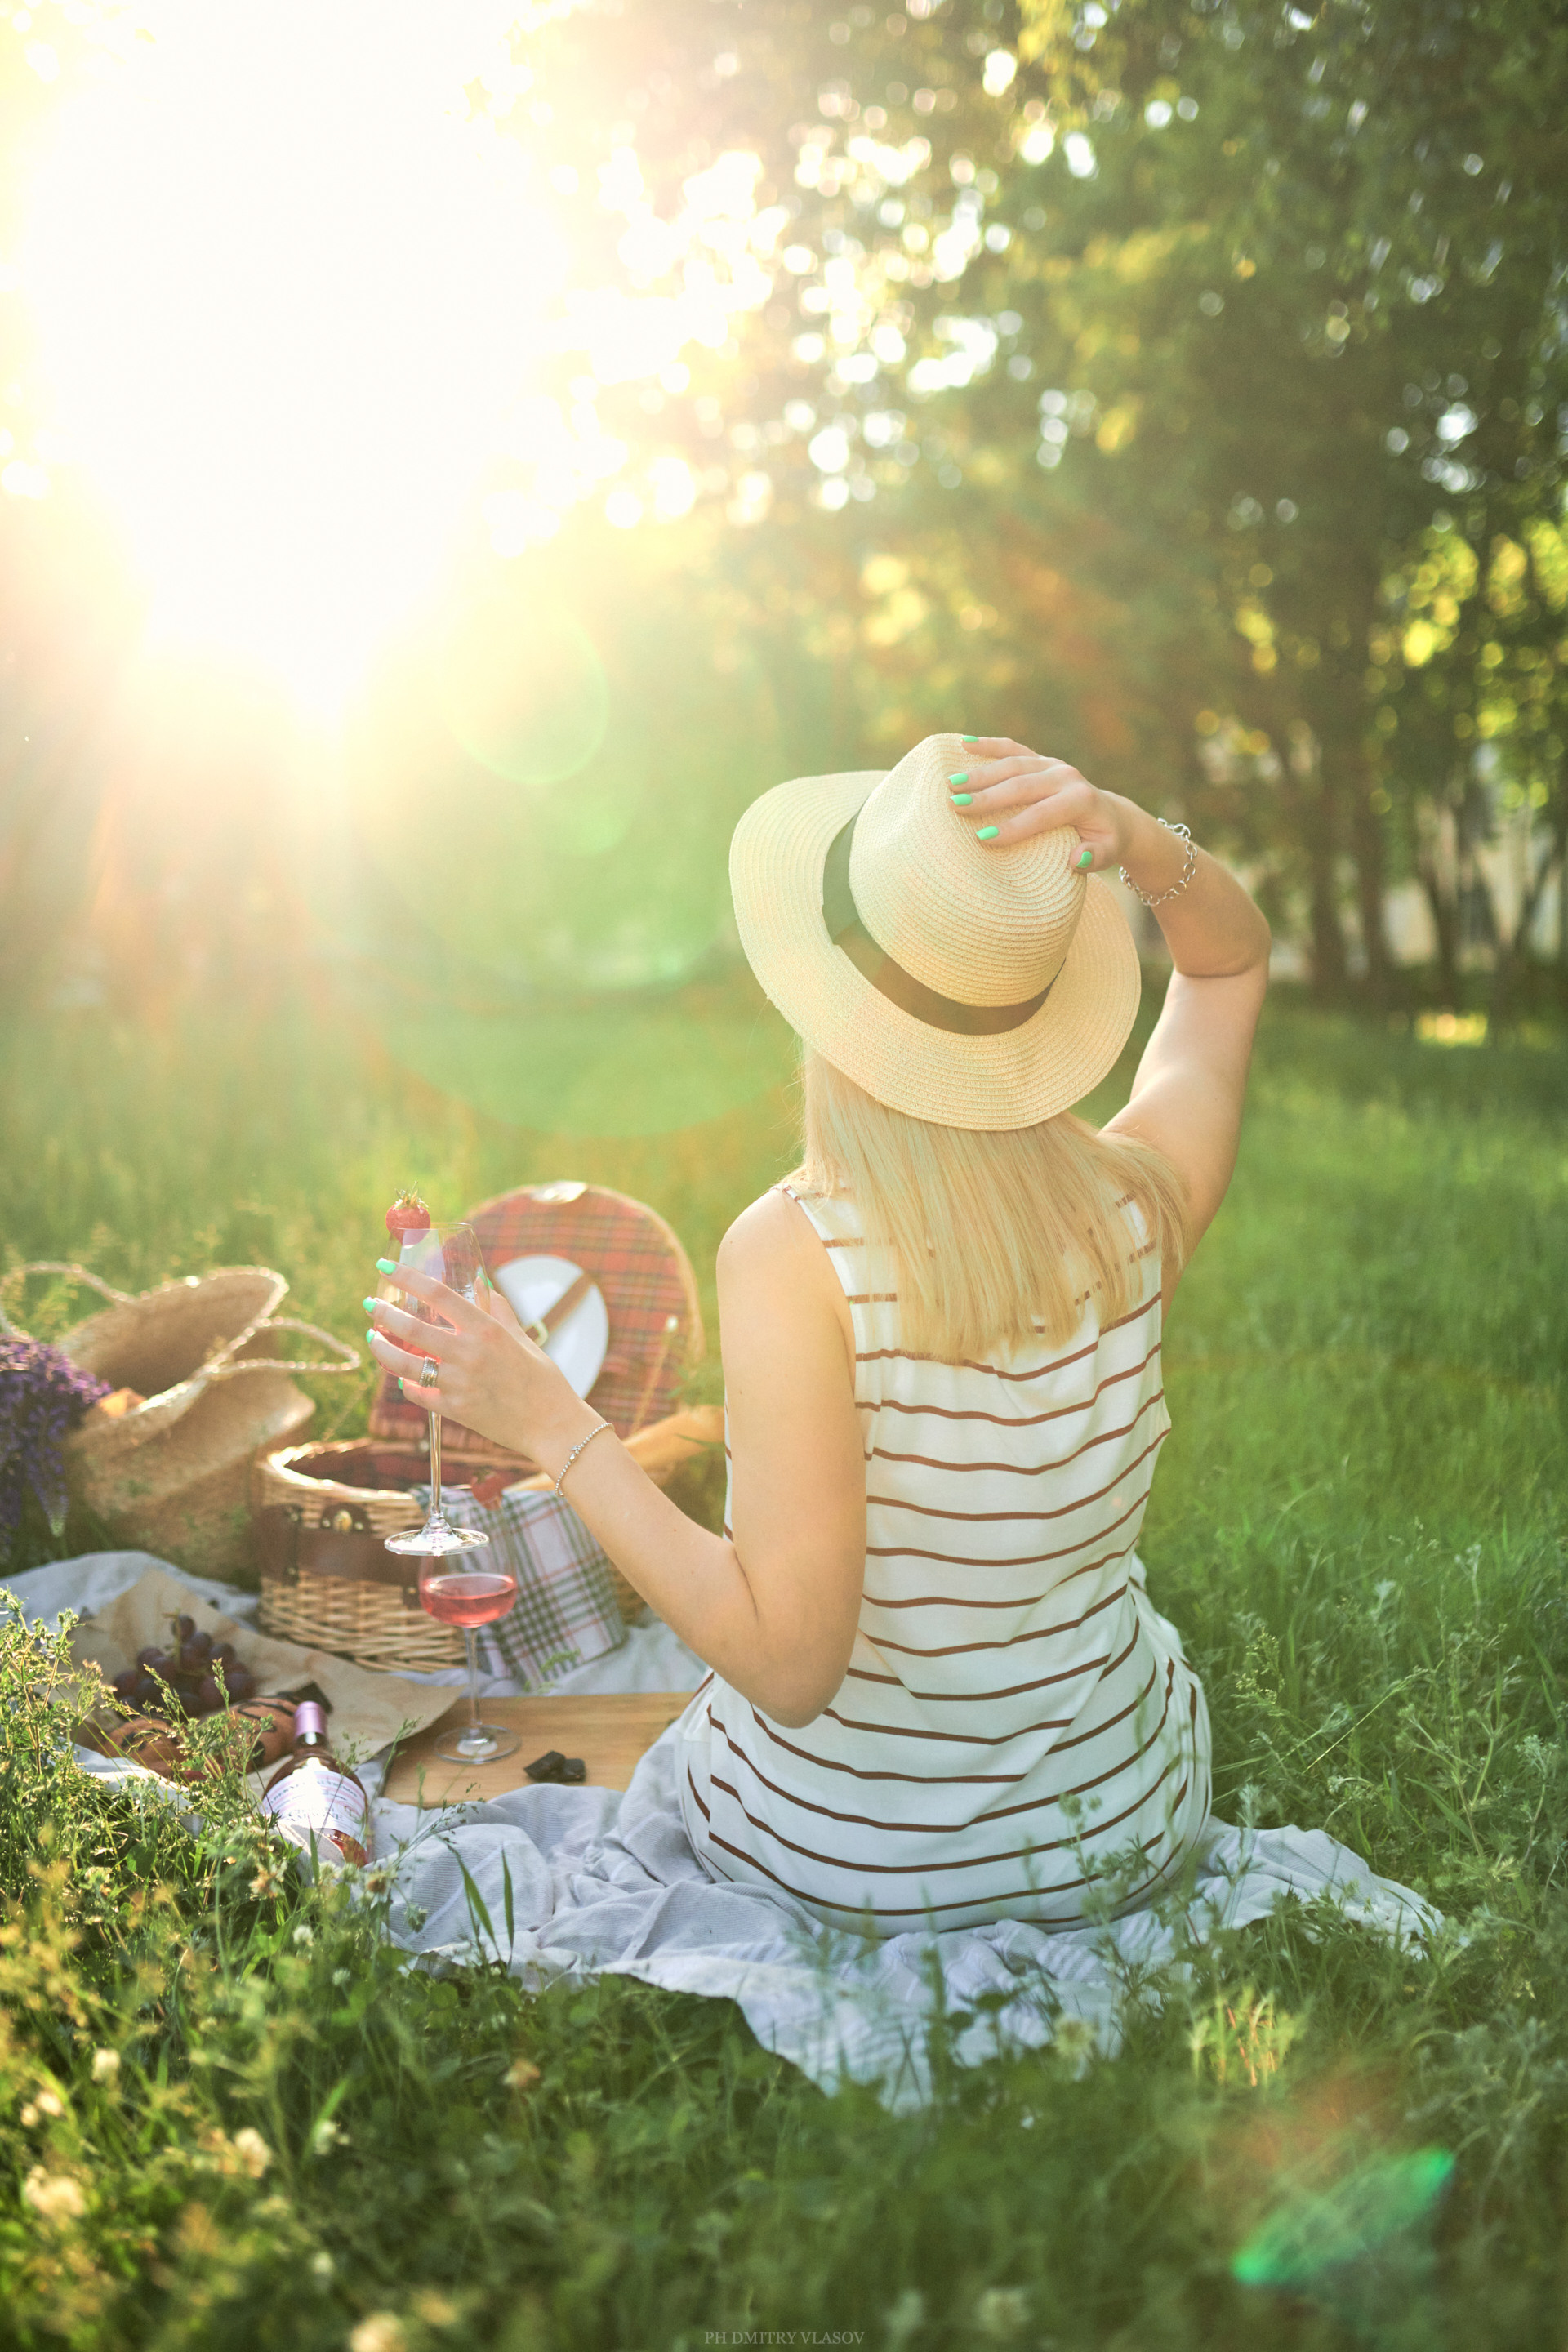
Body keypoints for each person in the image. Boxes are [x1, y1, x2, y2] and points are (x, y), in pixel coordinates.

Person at [368, 733, 1271, 1935]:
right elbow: (1229, 965)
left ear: (826, 994)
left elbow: (787, 1667)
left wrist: (548, 1419)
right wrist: (1140, 838)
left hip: (856, 1872)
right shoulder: (1139, 1204)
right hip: (1123, 1830)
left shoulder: (799, 1254)